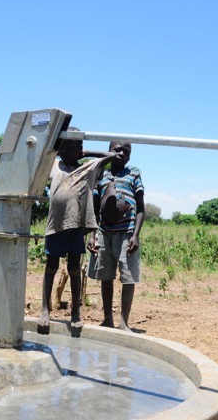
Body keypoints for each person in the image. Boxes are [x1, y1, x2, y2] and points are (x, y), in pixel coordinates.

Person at [37, 138, 117, 336]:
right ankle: (45, 310)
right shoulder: (55, 165)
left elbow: (112, 156)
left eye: (69, 147)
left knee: (74, 269)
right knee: (51, 268)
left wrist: (86, 152)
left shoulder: (89, 169)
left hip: (76, 226)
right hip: (56, 226)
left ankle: (75, 312)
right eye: (61, 146)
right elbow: (44, 153)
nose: (63, 150)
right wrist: (61, 146)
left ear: (79, 149)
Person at [87, 142, 144, 333]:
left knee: (127, 277)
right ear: (108, 151)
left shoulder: (134, 175)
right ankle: (107, 319)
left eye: (125, 152)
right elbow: (95, 208)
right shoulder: (101, 176)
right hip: (104, 233)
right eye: (116, 150)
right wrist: (92, 234)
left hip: (127, 233)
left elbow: (141, 208)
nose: (120, 154)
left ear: (130, 156)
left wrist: (135, 235)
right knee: (105, 276)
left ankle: (124, 322)